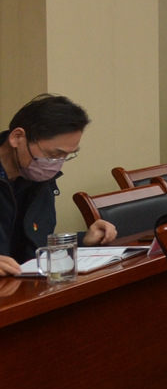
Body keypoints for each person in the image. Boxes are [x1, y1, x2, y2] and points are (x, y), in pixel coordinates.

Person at [0, 95, 115, 276]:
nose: (56, 164)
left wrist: (81, 240)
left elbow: (34, 245)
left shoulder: (37, 178)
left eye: (66, 156)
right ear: (17, 137)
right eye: (54, 154)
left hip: (24, 284)